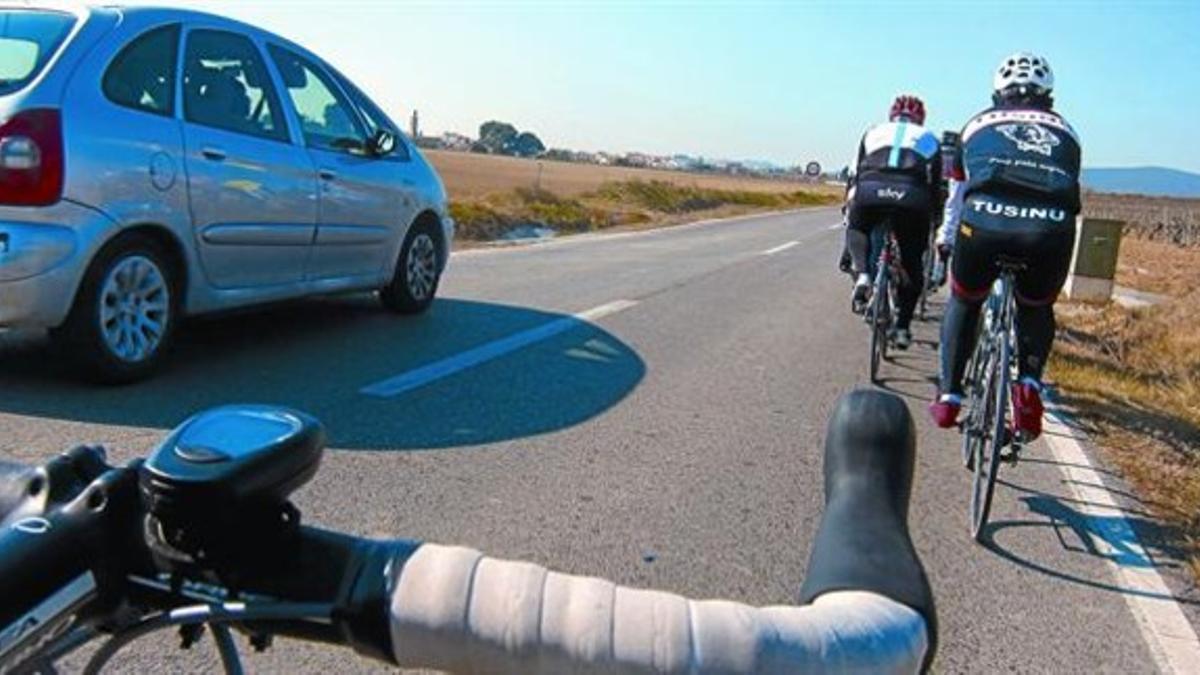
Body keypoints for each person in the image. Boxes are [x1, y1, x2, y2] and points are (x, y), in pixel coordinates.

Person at [929, 52, 1082, 440]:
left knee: (965, 300)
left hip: (984, 223)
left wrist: (946, 239)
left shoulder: (976, 125)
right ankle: (1029, 384)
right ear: (1049, 93)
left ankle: (949, 396)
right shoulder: (1068, 132)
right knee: (1035, 307)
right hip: (1050, 231)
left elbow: (957, 194)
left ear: (997, 89)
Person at [843, 95, 942, 350]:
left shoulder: (872, 132)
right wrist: (935, 219)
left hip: (870, 190)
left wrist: (851, 207)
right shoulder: (930, 138)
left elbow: (855, 174)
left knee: (858, 228)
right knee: (911, 262)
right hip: (911, 196)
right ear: (921, 119)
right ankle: (901, 328)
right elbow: (934, 186)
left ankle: (864, 274)